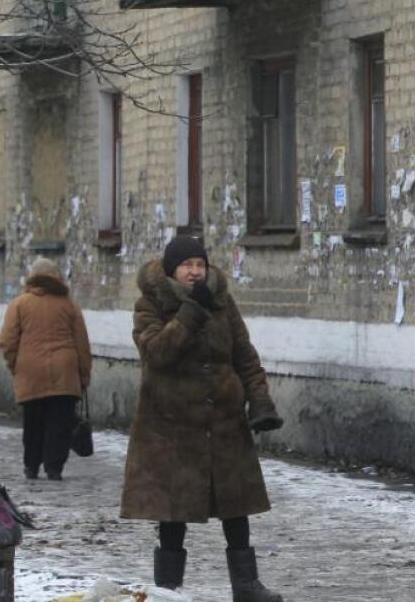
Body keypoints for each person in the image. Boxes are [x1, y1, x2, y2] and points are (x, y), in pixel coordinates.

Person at [121, 236, 285, 601]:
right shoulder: (150, 305)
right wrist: (191, 312)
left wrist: (259, 401)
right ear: (171, 269)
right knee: (173, 513)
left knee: (235, 506)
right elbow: (157, 353)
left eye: (200, 264)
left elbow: (244, 354)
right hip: (171, 427)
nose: (195, 271)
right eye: (187, 265)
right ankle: (167, 590)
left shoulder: (222, 303)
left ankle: (246, 586)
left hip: (224, 423)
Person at [0, 258, 92, 481]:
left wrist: (15, 365)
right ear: (57, 277)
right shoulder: (69, 305)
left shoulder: (20, 304)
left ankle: (31, 466)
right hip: (65, 371)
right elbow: (82, 343)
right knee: (59, 422)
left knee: (33, 422)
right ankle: (54, 467)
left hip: (30, 372)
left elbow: (8, 340)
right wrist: (84, 374)